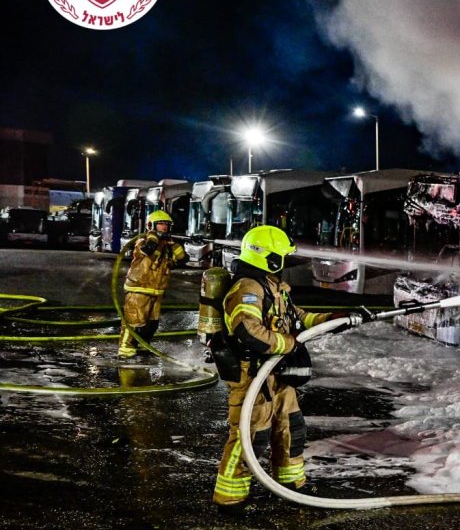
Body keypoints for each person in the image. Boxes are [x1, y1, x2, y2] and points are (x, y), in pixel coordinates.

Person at [212, 225, 370, 510]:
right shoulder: (247, 288)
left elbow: (298, 318)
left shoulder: (272, 286)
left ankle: (290, 484)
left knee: (290, 427)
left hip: (276, 372)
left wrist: (333, 319)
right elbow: (247, 330)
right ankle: (230, 496)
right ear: (269, 257)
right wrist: (289, 344)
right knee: (250, 436)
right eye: (282, 256)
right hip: (253, 375)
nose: (286, 261)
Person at [118, 210, 189, 359]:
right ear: (151, 225)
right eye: (160, 224)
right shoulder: (143, 241)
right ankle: (126, 351)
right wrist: (153, 236)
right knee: (134, 322)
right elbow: (147, 250)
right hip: (139, 288)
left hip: (156, 291)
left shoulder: (167, 245)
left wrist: (174, 244)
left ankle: (143, 347)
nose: (164, 227)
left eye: (166, 225)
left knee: (151, 324)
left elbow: (182, 259)